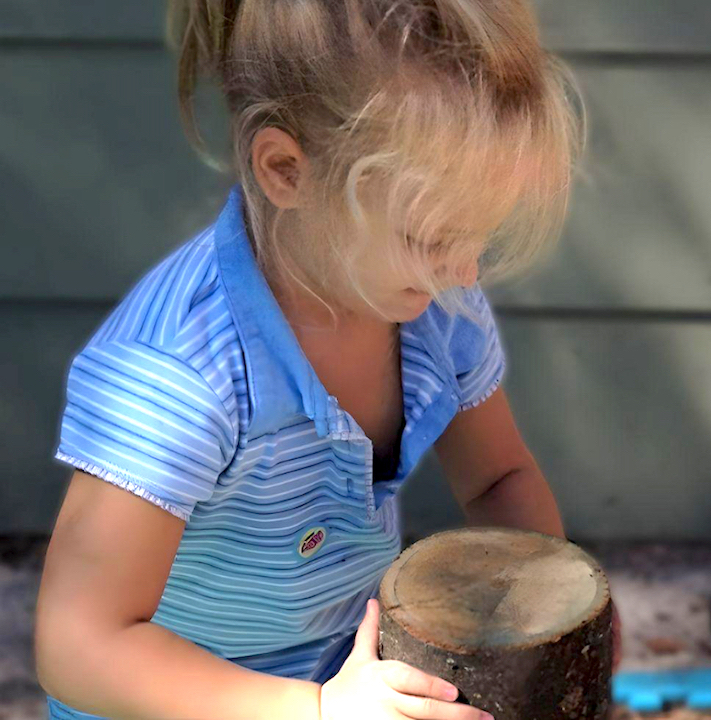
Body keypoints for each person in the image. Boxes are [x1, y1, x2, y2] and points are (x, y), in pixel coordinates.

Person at [33, 1, 613, 717]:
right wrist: (313, 710)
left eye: (479, 236)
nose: (464, 271)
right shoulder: (182, 373)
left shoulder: (433, 308)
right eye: (432, 236)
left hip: (345, 686)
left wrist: (547, 630)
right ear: (286, 171)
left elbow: (500, 479)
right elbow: (80, 644)